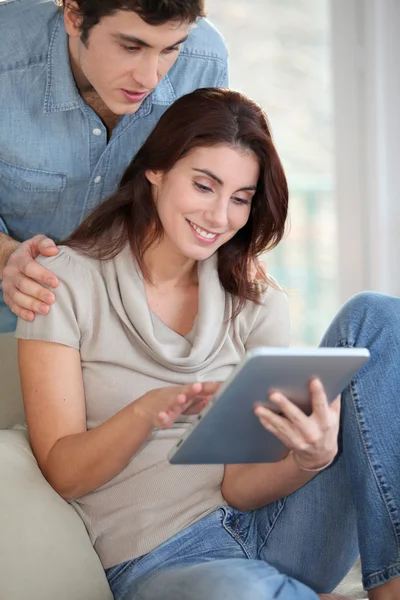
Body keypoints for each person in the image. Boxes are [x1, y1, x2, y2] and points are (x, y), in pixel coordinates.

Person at [16, 89, 400, 600]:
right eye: (204, 186)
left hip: (276, 526)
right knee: (238, 591)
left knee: (378, 318)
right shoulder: (63, 282)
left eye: (241, 198)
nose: (220, 216)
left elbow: (240, 486)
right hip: (167, 555)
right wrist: (149, 412)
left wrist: (308, 459)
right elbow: (63, 474)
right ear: (155, 169)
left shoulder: (256, 302)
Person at [0, 0, 227, 332]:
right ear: (74, 16)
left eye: (170, 50)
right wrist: (7, 257)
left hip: (130, 319)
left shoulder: (205, 61)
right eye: (131, 47)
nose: (149, 78)